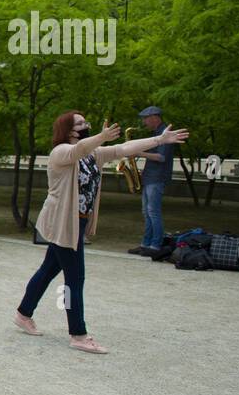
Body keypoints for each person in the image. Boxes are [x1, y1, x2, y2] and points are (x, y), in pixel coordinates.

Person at [14, 112, 188, 354]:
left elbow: (123, 148)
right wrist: (101, 136)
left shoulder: (92, 154)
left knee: (48, 270)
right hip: (64, 223)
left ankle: (23, 314)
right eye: (81, 123)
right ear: (69, 130)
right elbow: (80, 149)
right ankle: (78, 334)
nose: (86, 126)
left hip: (76, 222)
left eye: (86, 122)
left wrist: (159, 140)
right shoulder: (61, 152)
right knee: (74, 280)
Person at [129, 105, 177, 256]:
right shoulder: (156, 134)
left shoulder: (165, 134)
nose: (144, 122)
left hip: (157, 178)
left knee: (153, 212)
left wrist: (139, 153)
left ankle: (155, 246)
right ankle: (145, 244)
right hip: (150, 177)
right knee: (146, 212)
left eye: (146, 119)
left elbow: (161, 157)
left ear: (155, 117)